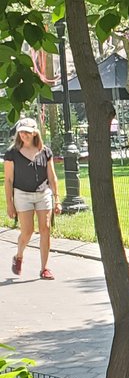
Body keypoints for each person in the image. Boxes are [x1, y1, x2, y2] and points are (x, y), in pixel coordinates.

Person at [5, 117, 60, 280]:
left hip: (43, 194)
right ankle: (19, 255)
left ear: (35, 133)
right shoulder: (12, 153)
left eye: (27, 132)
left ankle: (44, 268)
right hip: (22, 194)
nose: (24, 135)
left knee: (45, 229)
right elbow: (8, 180)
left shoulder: (45, 151)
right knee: (27, 231)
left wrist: (57, 199)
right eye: (21, 132)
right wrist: (10, 203)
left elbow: (52, 176)